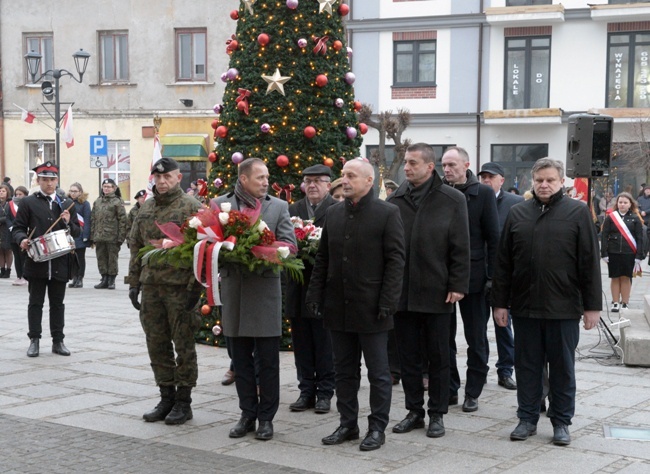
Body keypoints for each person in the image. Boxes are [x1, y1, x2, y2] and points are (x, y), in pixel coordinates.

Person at [492, 157, 602, 447]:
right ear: (532, 181)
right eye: (539, 180)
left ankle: (561, 421)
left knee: (563, 367)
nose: (544, 185)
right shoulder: (517, 213)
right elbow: (503, 264)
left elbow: (589, 263)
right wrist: (500, 304)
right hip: (525, 308)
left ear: (561, 182)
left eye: (550, 180)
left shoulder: (578, 213)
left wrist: (592, 307)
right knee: (527, 365)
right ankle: (527, 417)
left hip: (563, 308)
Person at [306, 158, 405, 452]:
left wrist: (388, 301)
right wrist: (315, 294)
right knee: (344, 371)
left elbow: (396, 261)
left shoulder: (388, 213)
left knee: (378, 372)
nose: (344, 180)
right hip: (338, 306)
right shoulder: (334, 213)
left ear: (368, 181)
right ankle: (348, 423)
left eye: (351, 175)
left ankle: (377, 428)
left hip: (372, 307)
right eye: (343, 175)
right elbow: (323, 259)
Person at [387, 143, 470, 439]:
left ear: (429, 166)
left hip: (437, 291)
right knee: (407, 356)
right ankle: (414, 411)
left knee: (438, 356)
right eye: (405, 163)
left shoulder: (452, 199)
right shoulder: (396, 198)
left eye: (412, 163)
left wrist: (458, 284)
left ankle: (437, 413)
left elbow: (461, 245)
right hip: (404, 293)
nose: (406, 168)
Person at [214, 158, 296, 442]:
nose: (265, 182)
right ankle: (247, 414)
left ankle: (266, 419)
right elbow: (208, 243)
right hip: (234, 293)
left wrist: (264, 249)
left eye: (267, 177)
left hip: (264, 293)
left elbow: (291, 245)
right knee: (240, 360)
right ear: (244, 178)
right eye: (260, 177)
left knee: (268, 361)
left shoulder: (278, 207)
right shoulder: (218, 205)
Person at [128, 157, 203, 425]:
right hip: (152, 288)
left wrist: (196, 288)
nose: (161, 182)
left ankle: (184, 401)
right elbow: (136, 246)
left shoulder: (192, 207)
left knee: (183, 344)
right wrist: (134, 282)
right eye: (157, 178)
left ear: (178, 177)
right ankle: (166, 396)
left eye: (167, 177)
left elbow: (202, 251)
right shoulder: (146, 208)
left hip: (180, 289)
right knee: (156, 343)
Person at [441, 147, 500, 412]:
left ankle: (473, 389)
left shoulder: (483, 193)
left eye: (452, 164)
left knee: (476, 337)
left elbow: (493, 239)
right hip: (442, 275)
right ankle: (450, 387)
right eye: (444, 165)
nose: (447, 170)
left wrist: (491, 278)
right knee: (444, 337)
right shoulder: (438, 191)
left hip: (475, 277)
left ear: (466, 165)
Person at [12, 162, 80, 357]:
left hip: (60, 262)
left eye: (52, 179)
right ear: (38, 180)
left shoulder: (66, 204)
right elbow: (17, 228)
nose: (49, 183)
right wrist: (22, 239)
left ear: (57, 180)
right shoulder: (28, 203)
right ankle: (34, 340)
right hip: (36, 262)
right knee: (35, 303)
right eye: (44, 180)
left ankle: (58, 341)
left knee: (57, 304)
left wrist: (68, 222)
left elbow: (77, 231)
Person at [286, 164, 336, 414]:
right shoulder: (293, 209)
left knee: (324, 342)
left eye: (318, 180)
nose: (312, 185)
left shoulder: (337, 209)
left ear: (329, 184)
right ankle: (306, 389)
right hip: (297, 285)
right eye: (308, 181)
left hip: (324, 287)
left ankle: (325, 391)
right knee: (302, 341)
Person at [478, 162, 524, 391]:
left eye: (490, 176)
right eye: (483, 176)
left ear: (501, 180)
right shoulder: (473, 200)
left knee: (504, 326)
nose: (486, 180)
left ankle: (505, 371)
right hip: (477, 275)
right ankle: (480, 370)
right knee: (477, 330)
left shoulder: (515, 204)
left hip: (504, 277)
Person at [600, 192, 644, 312]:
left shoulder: (635, 218)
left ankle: (625, 302)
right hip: (613, 252)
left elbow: (640, 238)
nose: (622, 205)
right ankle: (615, 302)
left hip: (629, 252)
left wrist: (639, 255)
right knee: (614, 277)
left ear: (630, 204)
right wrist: (603, 253)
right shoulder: (611, 217)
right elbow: (604, 235)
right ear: (617, 203)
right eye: (620, 202)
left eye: (625, 202)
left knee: (625, 277)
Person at [91, 178, 127, 289]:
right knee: (101, 258)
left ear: (114, 188)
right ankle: (104, 278)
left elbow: (122, 220)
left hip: (112, 236)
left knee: (112, 259)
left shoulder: (117, 201)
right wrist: (92, 236)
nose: (106, 189)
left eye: (109, 187)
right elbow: (93, 219)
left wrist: (121, 237)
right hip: (99, 236)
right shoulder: (97, 201)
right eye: (104, 186)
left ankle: (111, 280)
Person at [67, 183, 91, 288]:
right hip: (69, 234)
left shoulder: (84, 204)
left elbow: (87, 220)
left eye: (75, 191)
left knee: (80, 257)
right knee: (71, 257)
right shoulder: (67, 202)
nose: (72, 193)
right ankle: (74, 277)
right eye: (71, 191)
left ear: (80, 192)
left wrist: (86, 235)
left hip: (80, 234)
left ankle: (80, 278)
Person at [8, 186, 29, 286]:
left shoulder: (28, 204)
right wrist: (11, 227)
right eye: (16, 194)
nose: (18, 196)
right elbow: (7, 217)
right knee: (16, 256)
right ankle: (18, 276)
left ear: (25, 195)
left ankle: (25, 276)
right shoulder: (10, 204)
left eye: (20, 194)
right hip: (13, 234)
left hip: (24, 234)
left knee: (23, 256)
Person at [0, 184, 14, 278]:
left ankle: (8, 270)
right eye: (0, 191)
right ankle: (2, 270)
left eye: (3, 191)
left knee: (8, 250)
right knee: (0, 250)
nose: (1, 193)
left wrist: (2, 220)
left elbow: (13, 217)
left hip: (8, 229)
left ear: (7, 192)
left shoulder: (11, 204)